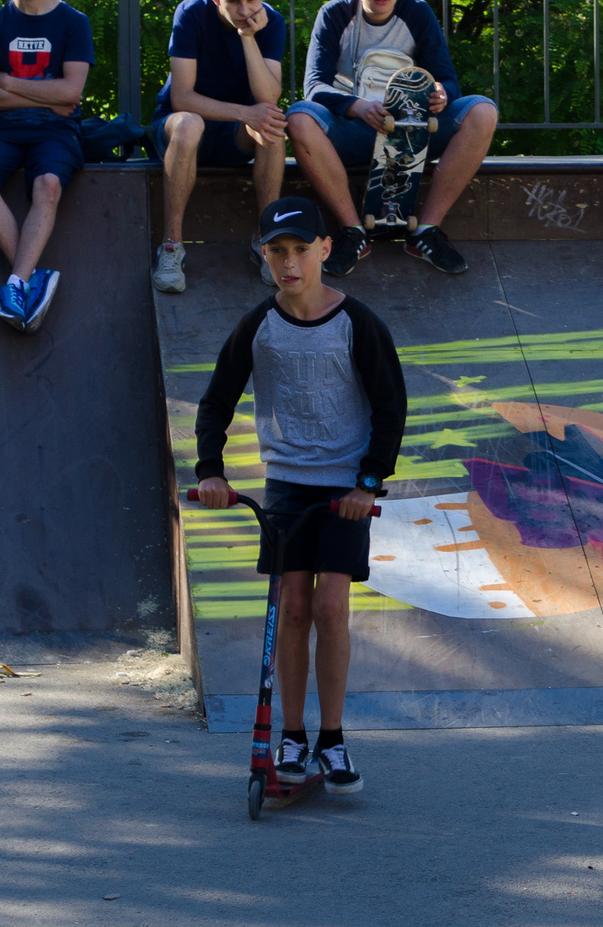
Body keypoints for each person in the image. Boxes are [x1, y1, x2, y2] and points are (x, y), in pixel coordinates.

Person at [193, 196, 407, 795]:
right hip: (286, 484)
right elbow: (216, 401)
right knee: (292, 609)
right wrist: (212, 471)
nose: (290, 264)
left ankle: (332, 739)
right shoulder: (258, 325)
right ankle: (291, 736)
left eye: (301, 250)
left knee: (331, 608)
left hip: (344, 487)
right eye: (277, 252)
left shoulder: (357, 323)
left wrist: (368, 482)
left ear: (325, 250)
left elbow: (391, 408)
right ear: (265, 255)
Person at [288, 0, 496, 278]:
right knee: (298, 118)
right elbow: (314, 87)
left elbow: (449, 81)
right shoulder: (334, 14)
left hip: (411, 134)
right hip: (355, 130)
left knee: (483, 110)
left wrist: (442, 94)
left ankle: (426, 231)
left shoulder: (417, 12)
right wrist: (356, 107)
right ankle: (354, 233)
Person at [150, 0, 288, 293]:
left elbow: (267, 97)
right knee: (189, 124)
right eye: (233, 2)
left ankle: (265, 239)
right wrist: (244, 113)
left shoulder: (272, 22)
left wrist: (248, 38)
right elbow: (182, 97)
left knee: (270, 125)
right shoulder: (191, 13)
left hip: (232, 134)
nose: (244, 11)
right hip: (179, 129)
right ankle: (171, 246)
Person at [0, 0, 92, 334]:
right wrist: (49, 95)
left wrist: (9, 82)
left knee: (47, 185)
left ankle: (15, 283)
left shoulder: (73, 23)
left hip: (56, 131)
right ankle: (27, 279)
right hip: (2, 130)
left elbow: (72, 93)